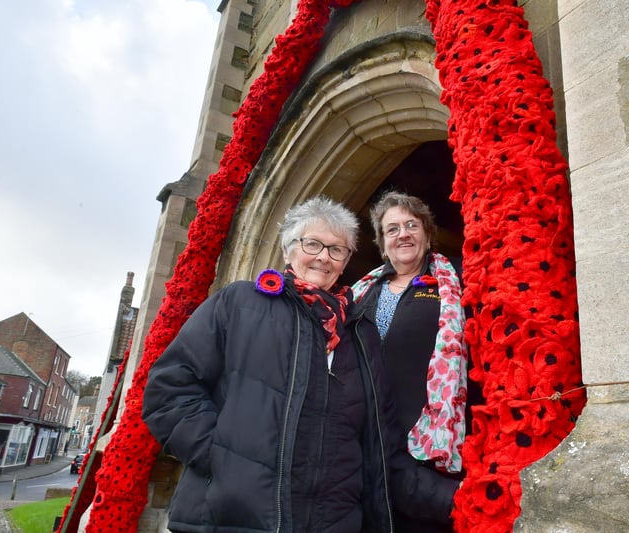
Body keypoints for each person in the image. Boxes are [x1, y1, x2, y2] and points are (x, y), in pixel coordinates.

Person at [143, 196, 401, 532]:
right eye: (313, 244)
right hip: (232, 518)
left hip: (332, 522)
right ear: (288, 249)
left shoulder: (359, 330)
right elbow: (169, 388)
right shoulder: (239, 302)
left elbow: (378, 429)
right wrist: (220, 455)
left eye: (337, 249)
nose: (324, 256)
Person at [352, 191, 469, 532]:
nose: (402, 234)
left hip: (425, 449)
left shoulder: (457, 281)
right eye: (392, 229)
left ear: (427, 233)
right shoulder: (359, 293)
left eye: (411, 225)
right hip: (362, 444)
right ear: (382, 243)